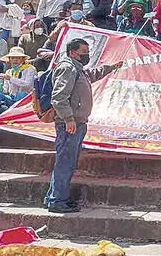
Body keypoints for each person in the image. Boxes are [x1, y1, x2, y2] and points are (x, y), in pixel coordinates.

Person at [43, 38, 123, 213]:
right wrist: (69, 119)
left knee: (66, 162)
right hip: (70, 124)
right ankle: (57, 201)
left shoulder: (77, 68)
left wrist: (112, 67)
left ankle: (54, 197)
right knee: (65, 162)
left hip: (77, 122)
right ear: (73, 53)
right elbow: (59, 98)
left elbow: (92, 74)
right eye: (83, 53)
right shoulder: (68, 68)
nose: (86, 56)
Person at [0, 47, 37, 115]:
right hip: (12, 97)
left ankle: (9, 111)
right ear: (9, 60)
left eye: (18, 58)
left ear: (22, 59)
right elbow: (5, 90)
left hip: (26, 98)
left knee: (22, 94)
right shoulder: (8, 71)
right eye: (13, 58)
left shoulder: (29, 69)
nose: (15, 60)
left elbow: (28, 84)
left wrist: (10, 78)